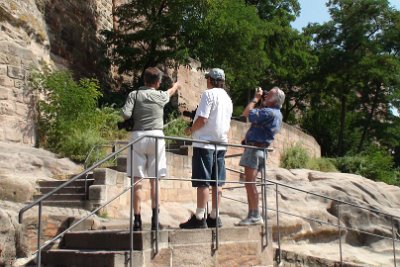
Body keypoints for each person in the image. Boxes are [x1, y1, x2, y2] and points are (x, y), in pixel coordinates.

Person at [121, 67, 181, 231]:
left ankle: (137, 220)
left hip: (138, 136)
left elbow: (125, 114)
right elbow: (169, 92)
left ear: (144, 79)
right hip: (156, 137)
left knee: (137, 181)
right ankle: (155, 219)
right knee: (155, 181)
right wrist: (176, 86)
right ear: (158, 82)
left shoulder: (135, 94)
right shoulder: (161, 96)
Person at [179, 68, 233, 229]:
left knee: (203, 180)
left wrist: (190, 130)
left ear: (211, 80)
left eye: (207, 78)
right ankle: (215, 216)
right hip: (221, 143)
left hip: (205, 143)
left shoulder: (208, 94)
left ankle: (200, 216)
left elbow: (202, 119)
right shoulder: (228, 99)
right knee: (217, 181)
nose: (206, 80)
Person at [237, 86, 285, 226]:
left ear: (274, 99)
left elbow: (245, 113)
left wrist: (255, 98)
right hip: (261, 150)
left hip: (254, 149)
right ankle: (253, 214)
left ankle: (255, 215)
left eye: (268, 95)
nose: (265, 95)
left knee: (250, 183)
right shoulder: (277, 114)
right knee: (250, 182)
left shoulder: (268, 113)